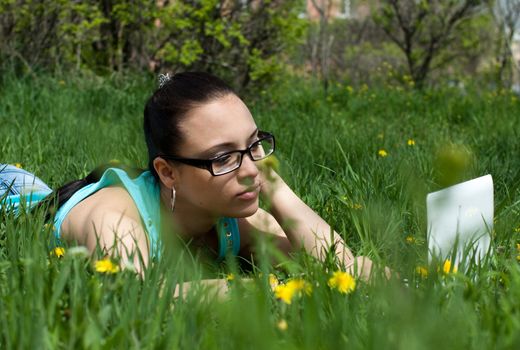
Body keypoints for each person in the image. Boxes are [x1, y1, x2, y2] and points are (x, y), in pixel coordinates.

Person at [1, 72, 384, 297]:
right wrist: (272, 289)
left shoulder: (234, 217)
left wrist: (277, 189)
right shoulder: (115, 220)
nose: (250, 170)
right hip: (12, 193)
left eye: (253, 146)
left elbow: (337, 264)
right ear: (168, 172)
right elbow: (144, 296)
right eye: (223, 157)